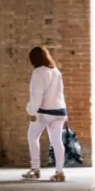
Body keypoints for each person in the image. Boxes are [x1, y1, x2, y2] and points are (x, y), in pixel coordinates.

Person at [24, 44, 68, 182]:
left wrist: (31, 111)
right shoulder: (56, 71)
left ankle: (35, 169)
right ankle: (60, 172)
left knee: (32, 137)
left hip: (44, 112)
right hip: (60, 110)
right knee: (56, 141)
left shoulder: (38, 72)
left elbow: (37, 95)